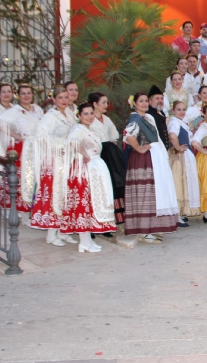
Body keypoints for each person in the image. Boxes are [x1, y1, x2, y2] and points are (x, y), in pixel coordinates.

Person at [123, 92, 179, 243]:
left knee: (155, 192)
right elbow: (128, 136)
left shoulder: (148, 117)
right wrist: (140, 149)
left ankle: (153, 227)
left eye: (146, 101)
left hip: (155, 157)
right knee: (145, 192)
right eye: (141, 101)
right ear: (134, 103)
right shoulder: (135, 119)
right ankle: (144, 230)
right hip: (144, 159)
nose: (144, 103)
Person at [63, 103, 116, 252]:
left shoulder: (88, 130)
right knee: (84, 204)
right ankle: (84, 242)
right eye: (85, 114)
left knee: (92, 204)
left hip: (95, 166)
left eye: (91, 113)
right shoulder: (77, 129)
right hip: (85, 169)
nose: (89, 117)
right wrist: (85, 154)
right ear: (79, 116)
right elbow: (72, 142)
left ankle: (87, 240)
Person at [30, 85, 77, 245]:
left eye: (66, 97)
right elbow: (40, 135)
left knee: (66, 194)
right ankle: (51, 233)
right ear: (54, 99)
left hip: (68, 159)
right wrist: (54, 151)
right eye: (60, 98)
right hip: (55, 161)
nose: (64, 100)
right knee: (55, 194)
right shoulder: (51, 116)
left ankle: (62, 229)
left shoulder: (70, 114)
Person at [0, 84, 44, 215]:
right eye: (23, 93)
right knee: (20, 178)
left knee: (35, 178)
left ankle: (30, 209)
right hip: (22, 148)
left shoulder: (37, 109)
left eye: (29, 93)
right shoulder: (15, 111)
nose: (26, 96)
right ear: (18, 96)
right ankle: (16, 209)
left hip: (37, 147)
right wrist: (15, 135)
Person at [87, 92, 126, 228]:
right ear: (94, 104)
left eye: (106, 102)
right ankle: (100, 220)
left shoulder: (106, 119)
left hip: (111, 154)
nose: (106, 105)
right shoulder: (89, 120)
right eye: (103, 102)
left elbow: (114, 135)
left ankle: (116, 217)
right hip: (98, 153)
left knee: (115, 182)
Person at [167, 100, 201, 222]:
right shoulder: (174, 122)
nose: (181, 112)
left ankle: (181, 213)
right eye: (178, 109)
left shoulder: (180, 122)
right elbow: (172, 135)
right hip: (179, 157)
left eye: (183, 109)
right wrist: (178, 147)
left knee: (184, 183)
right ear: (173, 111)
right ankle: (177, 215)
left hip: (185, 155)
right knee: (179, 183)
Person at [146, 84, 171, 149]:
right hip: (156, 149)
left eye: (161, 98)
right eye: (157, 98)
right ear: (150, 101)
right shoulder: (148, 115)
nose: (160, 101)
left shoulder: (162, 113)